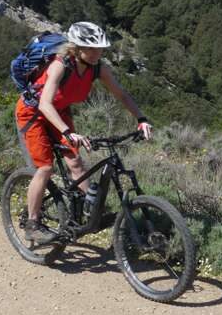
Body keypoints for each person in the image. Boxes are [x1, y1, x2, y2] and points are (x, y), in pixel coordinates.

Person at [15, 21, 152, 244]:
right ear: (77, 48)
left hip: (59, 112)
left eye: (100, 49)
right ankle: (32, 223)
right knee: (45, 167)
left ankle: (90, 214)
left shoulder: (98, 68)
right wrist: (67, 132)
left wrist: (141, 119)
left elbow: (122, 95)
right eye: (92, 49)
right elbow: (45, 104)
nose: (98, 53)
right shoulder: (59, 65)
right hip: (33, 113)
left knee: (76, 163)